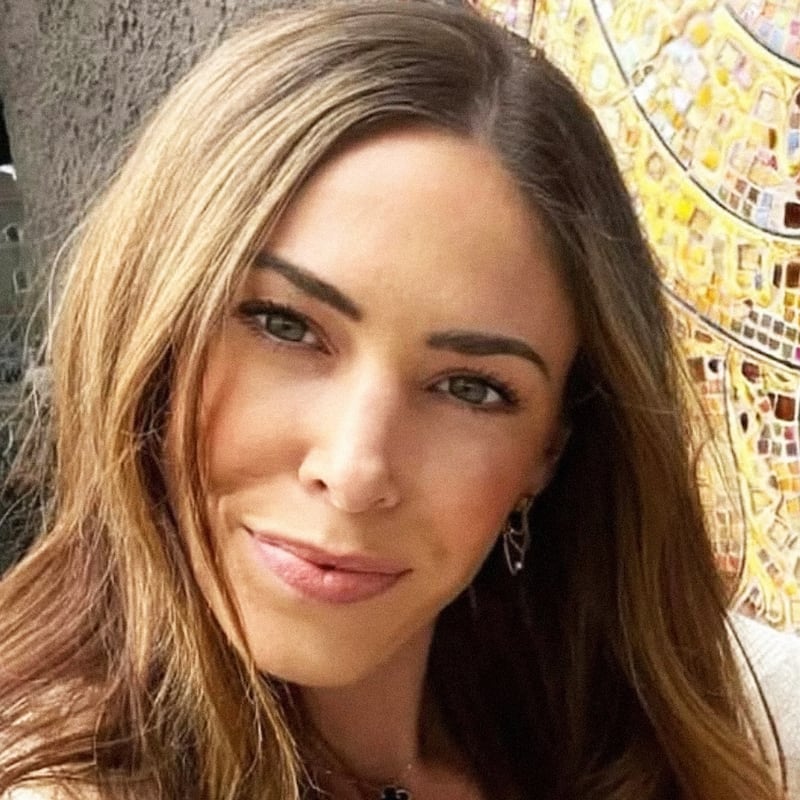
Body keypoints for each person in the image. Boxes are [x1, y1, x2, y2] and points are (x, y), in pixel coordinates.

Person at [0, 1, 797, 798]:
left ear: (550, 452)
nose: (355, 470)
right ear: (154, 330)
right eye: (283, 325)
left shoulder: (709, 723)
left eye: (471, 388)